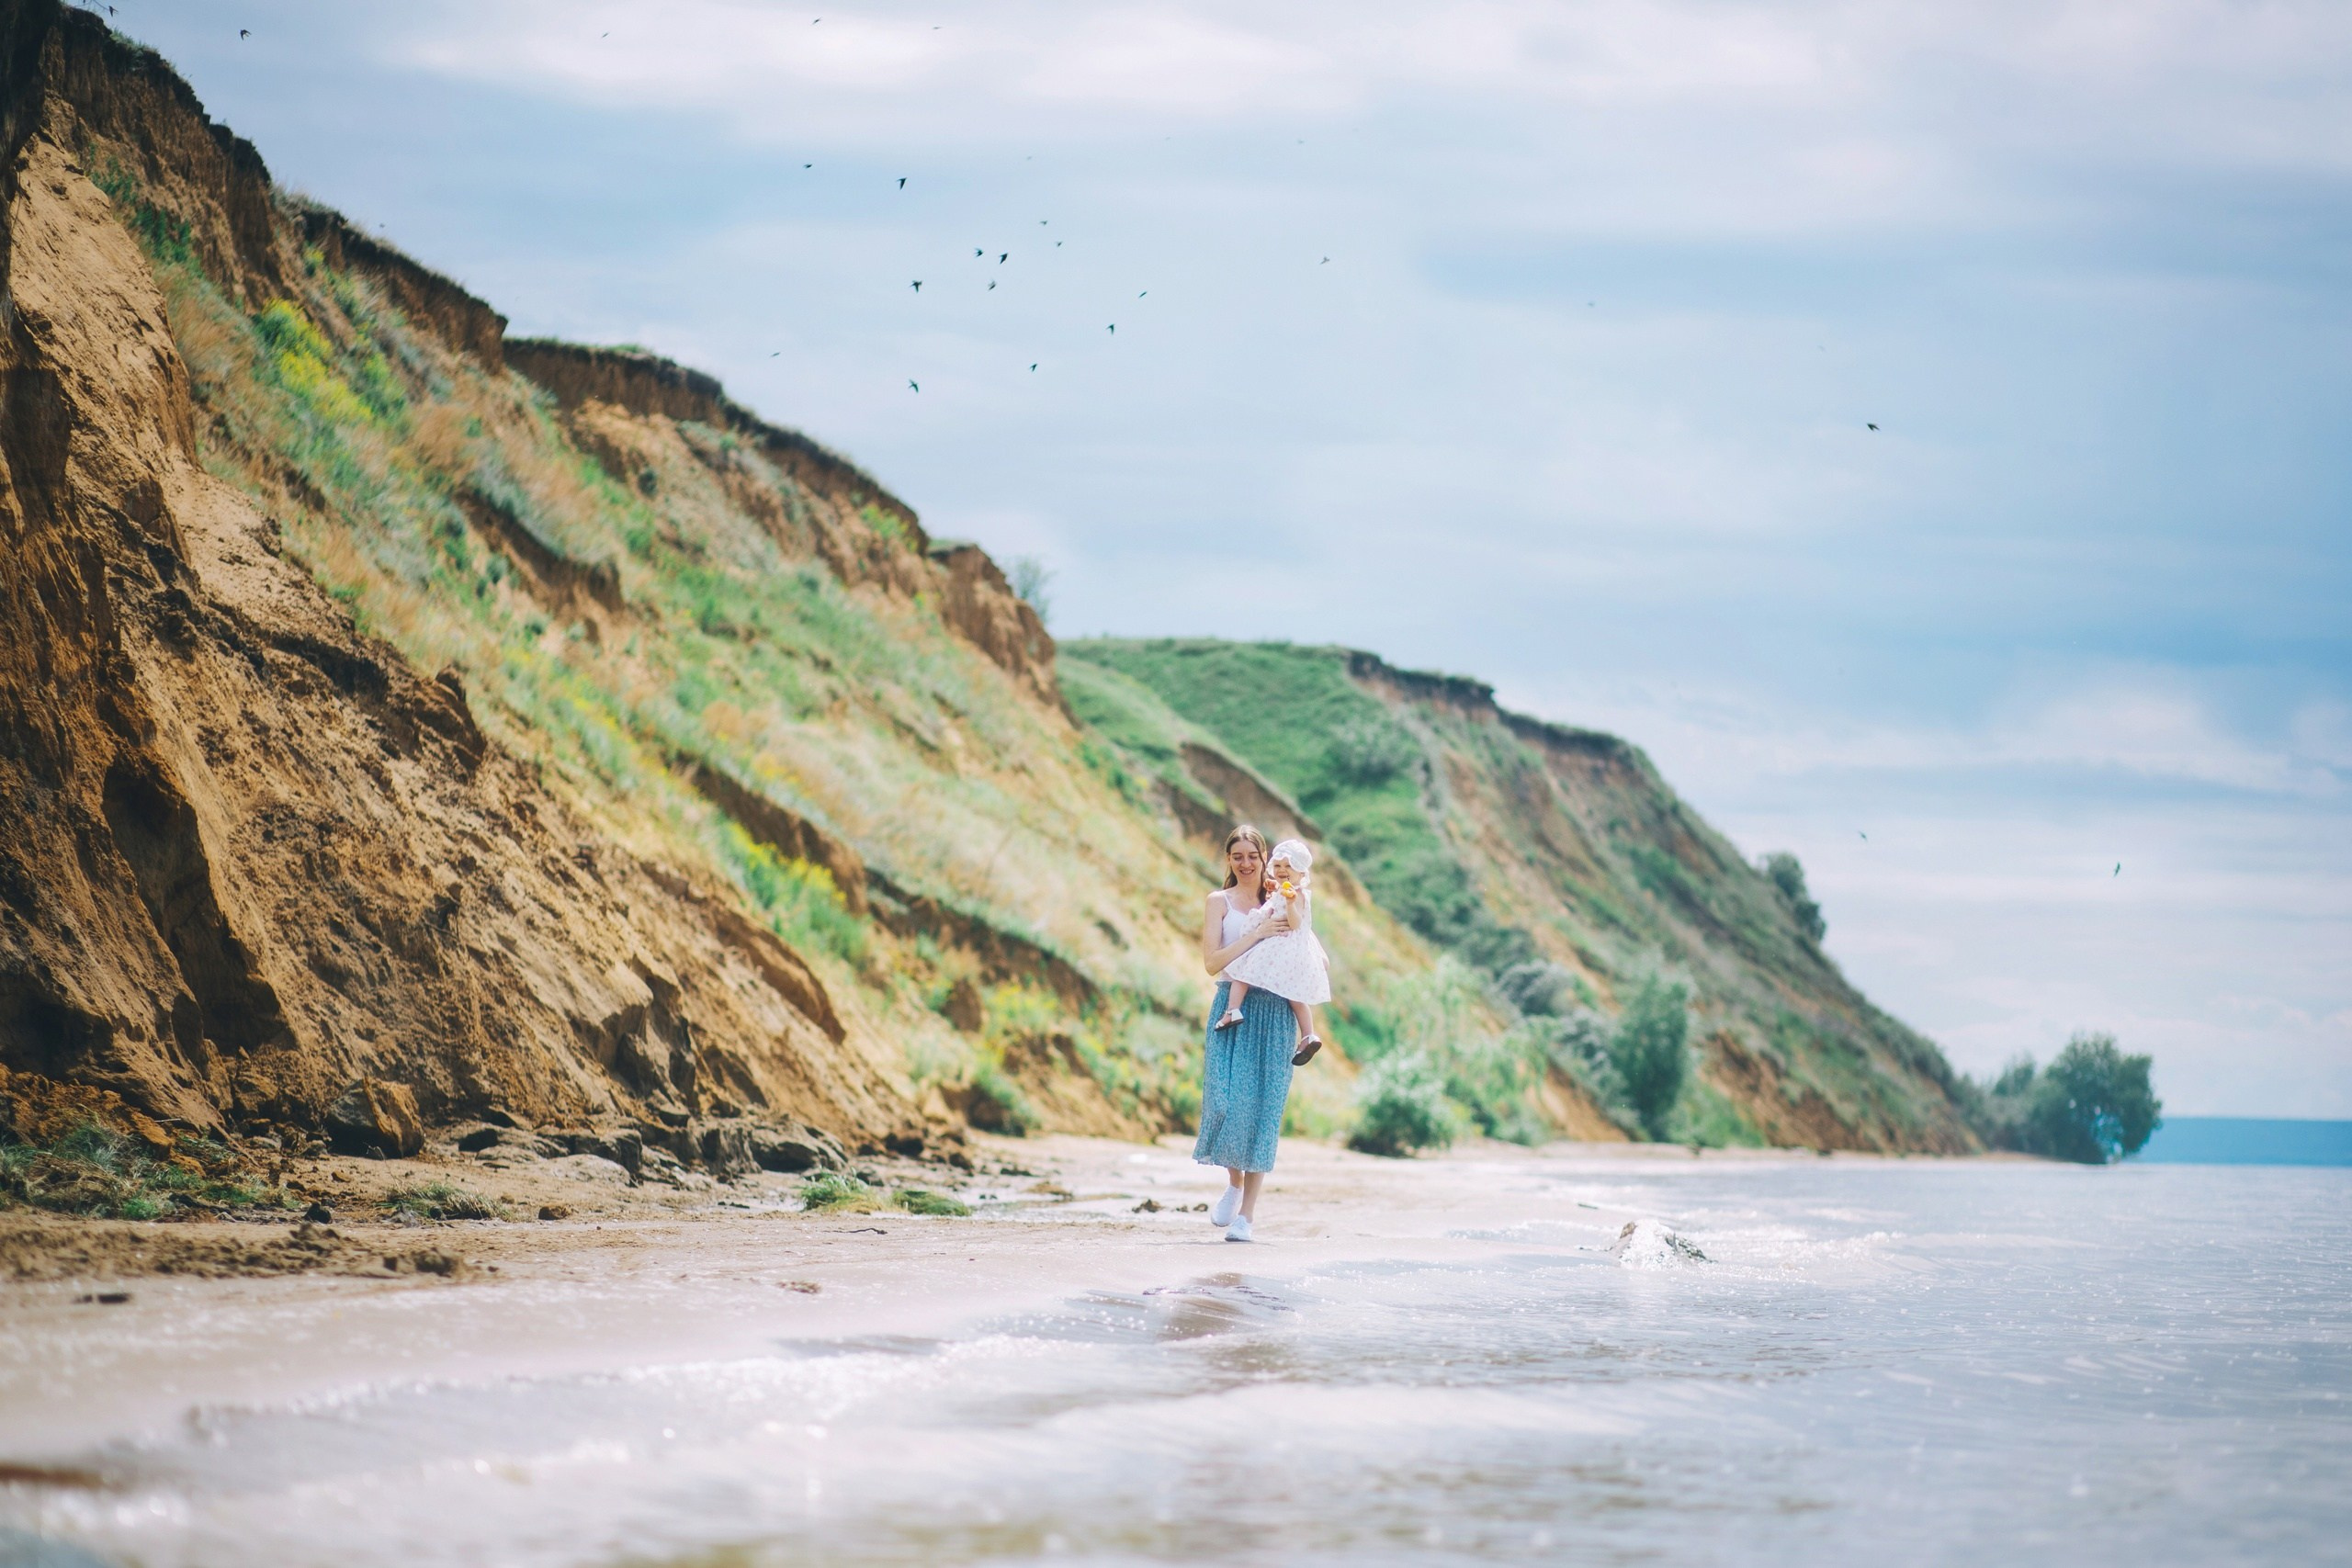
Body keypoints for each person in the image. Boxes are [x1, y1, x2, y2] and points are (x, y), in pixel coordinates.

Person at [1193, 825, 1301, 1242]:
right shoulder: (1217, 902)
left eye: (1252, 856)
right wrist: (1255, 935)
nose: (1245, 863)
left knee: (1263, 1111)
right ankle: (1234, 1183)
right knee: (1223, 1102)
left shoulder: (1282, 897)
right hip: (1230, 1005)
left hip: (1275, 1009)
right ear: (1228, 860)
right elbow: (1212, 962)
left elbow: (1310, 945)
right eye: (1237, 856)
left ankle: (1247, 1217)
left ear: (1264, 857)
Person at [1213, 838, 1330, 1066]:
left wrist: (1289, 903)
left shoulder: (1297, 895)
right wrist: (1276, 891)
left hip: (1280, 945)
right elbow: (1278, 900)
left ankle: (1233, 1010)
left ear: (1301, 872)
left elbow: (1295, 923)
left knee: (1242, 971)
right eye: (1278, 865)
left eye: (1289, 866)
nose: (1282, 870)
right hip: (1287, 948)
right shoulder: (1284, 891)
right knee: (1295, 996)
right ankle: (1308, 1035)